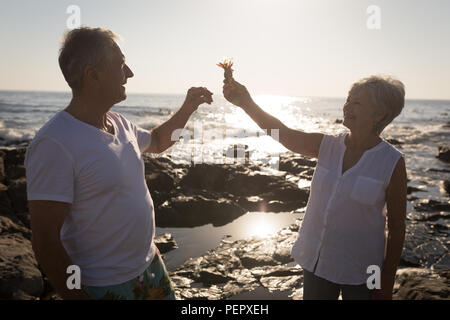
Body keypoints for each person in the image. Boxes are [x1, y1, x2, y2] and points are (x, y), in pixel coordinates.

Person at [24, 27, 212, 300]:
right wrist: (77, 297)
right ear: (93, 75)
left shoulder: (118, 122)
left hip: (150, 267)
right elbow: (45, 241)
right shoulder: (54, 143)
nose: (130, 73)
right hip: (104, 286)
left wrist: (187, 108)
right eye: (121, 65)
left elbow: (158, 142)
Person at [223, 75, 407, 300]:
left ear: (379, 114)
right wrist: (246, 102)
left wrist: (384, 284)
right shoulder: (327, 145)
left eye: (356, 103)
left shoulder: (392, 162)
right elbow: (283, 134)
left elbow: (397, 227)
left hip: (365, 270)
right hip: (316, 261)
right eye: (348, 100)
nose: (347, 107)